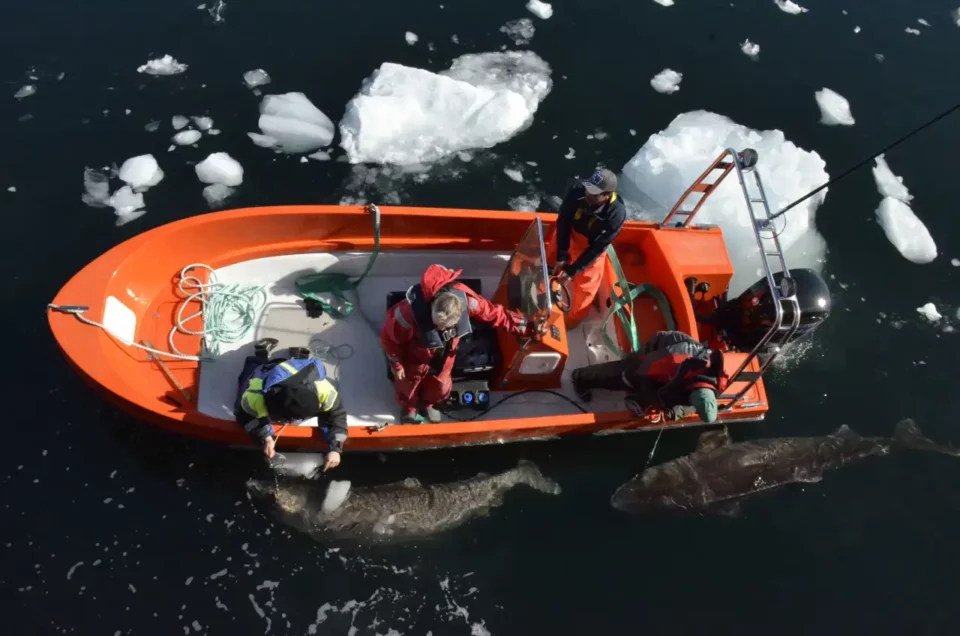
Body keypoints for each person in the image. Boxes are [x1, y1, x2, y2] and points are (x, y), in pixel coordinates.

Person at [381, 264, 536, 424]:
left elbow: (495, 313)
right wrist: (397, 365)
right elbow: (389, 339)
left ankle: (429, 404)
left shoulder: (469, 303)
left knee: (440, 385)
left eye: (445, 326)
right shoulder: (405, 314)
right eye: (437, 324)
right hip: (415, 355)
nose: (440, 329)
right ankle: (409, 409)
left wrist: (525, 326)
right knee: (408, 384)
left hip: (446, 355)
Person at [234, 338, 348, 471]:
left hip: (301, 372)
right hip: (269, 373)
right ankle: (261, 354)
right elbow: (243, 416)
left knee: (330, 415)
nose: (293, 422)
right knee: (247, 380)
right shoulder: (255, 398)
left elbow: (337, 415)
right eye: (291, 419)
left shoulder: (325, 392)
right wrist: (265, 436)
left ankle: (299, 356)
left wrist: (335, 448)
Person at [571, 331, 726, 423]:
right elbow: (644, 371)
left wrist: (673, 413)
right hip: (660, 348)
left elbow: (694, 404)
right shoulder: (673, 360)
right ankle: (580, 377)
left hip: (673, 362)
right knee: (625, 374)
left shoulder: (712, 381)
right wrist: (653, 402)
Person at [547, 168, 627, 327]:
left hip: (590, 246)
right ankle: (543, 282)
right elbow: (563, 221)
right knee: (550, 257)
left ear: (607, 195)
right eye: (588, 189)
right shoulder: (577, 192)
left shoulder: (616, 214)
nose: (588, 194)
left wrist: (572, 270)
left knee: (587, 286)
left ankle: (574, 319)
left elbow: (598, 248)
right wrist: (561, 256)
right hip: (569, 234)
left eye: (594, 193)